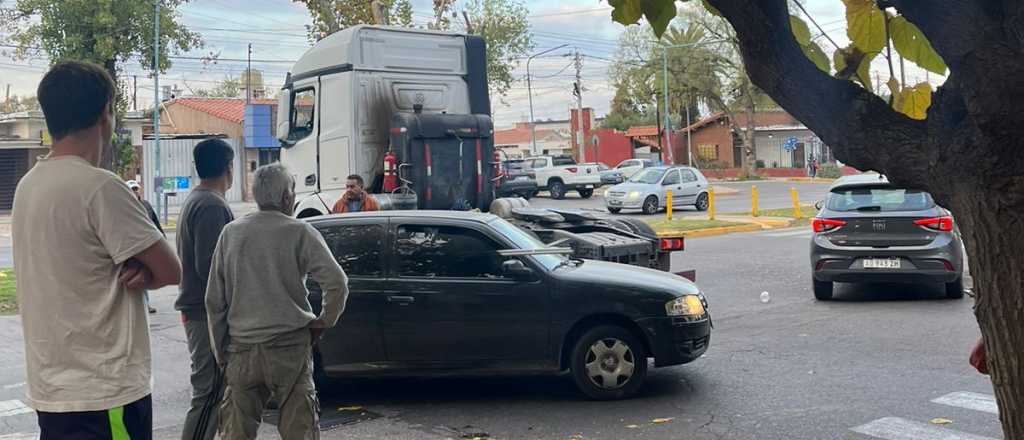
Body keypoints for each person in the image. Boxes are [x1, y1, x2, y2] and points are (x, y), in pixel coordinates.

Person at [12, 60, 182, 439]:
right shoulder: (101, 187)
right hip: (104, 394)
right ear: (106, 113)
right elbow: (172, 270)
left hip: (53, 392)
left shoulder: (28, 187)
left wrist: (138, 266)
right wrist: (146, 270)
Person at [206, 163, 349, 440]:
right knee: (300, 429)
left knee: (235, 432)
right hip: (289, 349)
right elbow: (337, 282)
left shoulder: (231, 233)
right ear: (286, 197)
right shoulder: (299, 232)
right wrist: (324, 321)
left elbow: (214, 300)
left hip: (242, 350)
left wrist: (221, 350)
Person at [175, 138, 236, 440]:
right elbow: (211, 266)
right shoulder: (211, 204)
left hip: (200, 311)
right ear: (229, 167)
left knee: (217, 393)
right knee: (209, 392)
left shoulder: (197, 199)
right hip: (205, 314)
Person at [127, 180, 162, 314]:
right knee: (136, 274)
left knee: (144, 274)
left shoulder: (146, 205)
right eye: (132, 189)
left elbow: (154, 222)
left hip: (146, 245)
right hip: (132, 247)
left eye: (136, 189)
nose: (134, 192)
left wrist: (161, 238)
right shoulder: (124, 206)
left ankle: (145, 304)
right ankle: (140, 304)